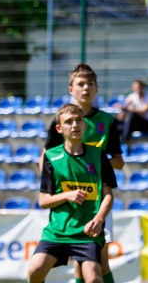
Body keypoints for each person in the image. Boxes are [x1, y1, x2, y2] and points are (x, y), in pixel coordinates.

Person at [40, 63, 124, 283]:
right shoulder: (61, 119)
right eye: (80, 84)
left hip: (96, 199)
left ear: (96, 89)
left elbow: (119, 161)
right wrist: (49, 183)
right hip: (68, 201)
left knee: (100, 260)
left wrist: (94, 163)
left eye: (90, 84)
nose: (85, 88)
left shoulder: (107, 121)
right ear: (71, 89)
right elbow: (47, 155)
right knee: (80, 263)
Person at [28, 104, 116, 283]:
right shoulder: (51, 157)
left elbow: (108, 195)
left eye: (79, 120)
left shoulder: (99, 155)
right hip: (57, 232)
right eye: (68, 122)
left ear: (85, 125)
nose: (74, 125)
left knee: (93, 279)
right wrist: (67, 195)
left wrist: (99, 219)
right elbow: (43, 201)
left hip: (87, 233)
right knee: (34, 271)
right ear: (59, 128)